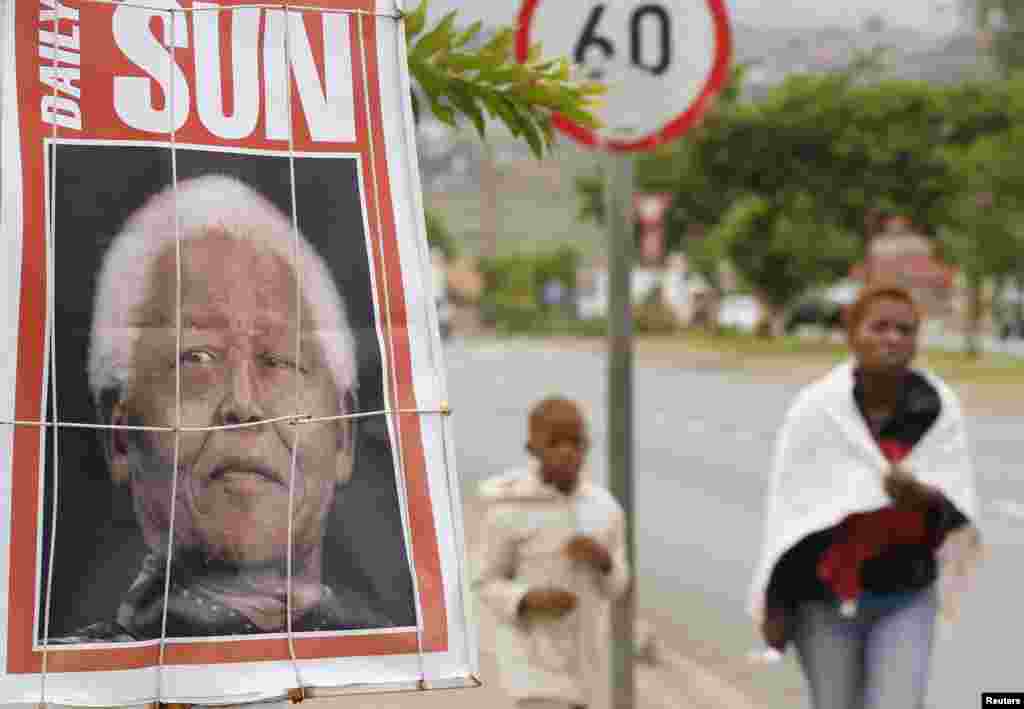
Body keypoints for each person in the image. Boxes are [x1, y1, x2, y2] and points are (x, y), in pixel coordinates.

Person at [56, 174, 392, 642]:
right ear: (119, 435)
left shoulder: (394, 663)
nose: (243, 404)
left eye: (278, 360)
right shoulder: (61, 685)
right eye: (196, 358)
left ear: (344, 436)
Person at [749, 284, 983, 709]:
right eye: (880, 327)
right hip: (823, 600)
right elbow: (790, 515)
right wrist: (776, 604)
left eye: (905, 330)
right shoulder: (816, 411)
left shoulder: (938, 408)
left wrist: (921, 497)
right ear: (852, 333)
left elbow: (956, 513)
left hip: (905, 595)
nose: (892, 338)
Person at [474, 397, 630, 709]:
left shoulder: (604, 509)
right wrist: (528, 599)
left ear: (587, 446)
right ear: (533, 449)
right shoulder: (509, 510)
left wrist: (603, 561)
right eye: (555, 443)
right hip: (532, 669)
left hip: (585, 666)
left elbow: (617, 587)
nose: (566, 451)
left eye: (575, 442)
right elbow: (484, 581)